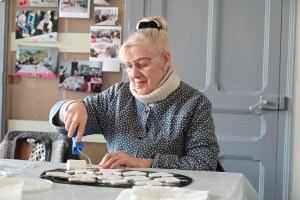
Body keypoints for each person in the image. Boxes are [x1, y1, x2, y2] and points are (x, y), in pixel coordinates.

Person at [49, 16, 220, 171]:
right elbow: (61, 126)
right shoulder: (117, 97)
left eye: (143, 64)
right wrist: (69, 107)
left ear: (165, 59)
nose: (134, 74)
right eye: (129, 66)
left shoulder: (194, 103)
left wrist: (144, 163)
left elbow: (204, 163)